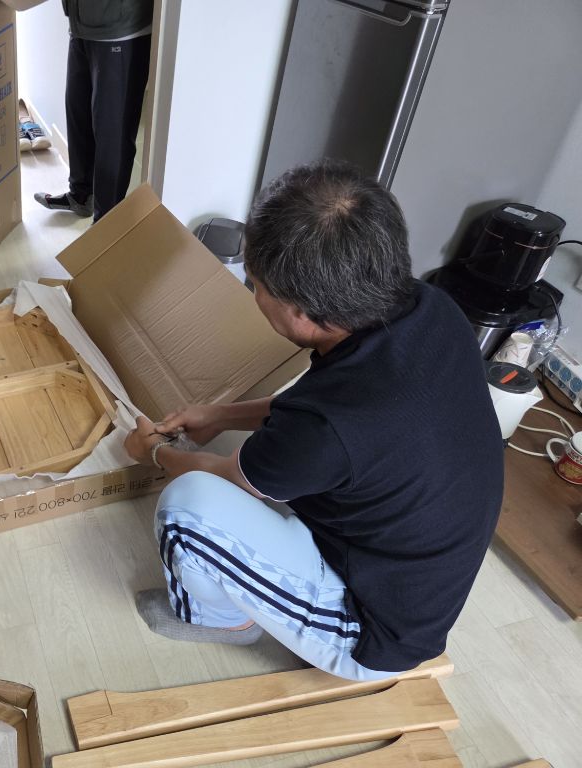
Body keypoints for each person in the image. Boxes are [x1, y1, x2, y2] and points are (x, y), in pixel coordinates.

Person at [124, 162, 504, 681]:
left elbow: (231, 473)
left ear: (301, 313)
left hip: (370, 630)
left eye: (256, 284)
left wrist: (152, 452)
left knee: (186, 508)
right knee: (259, 465)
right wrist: (220, 414)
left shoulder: (328, 429)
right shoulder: (427, 307)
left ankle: (222, 621)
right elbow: (322, 402)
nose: (253, 293)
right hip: (408, 558)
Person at [34, 0, 153, 222]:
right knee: (78, 116)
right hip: (81, 26)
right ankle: (80, 195)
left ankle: (106, 223)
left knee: (112, 136)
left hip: (119, 31)